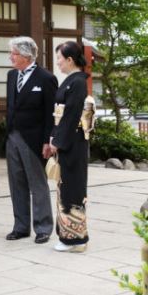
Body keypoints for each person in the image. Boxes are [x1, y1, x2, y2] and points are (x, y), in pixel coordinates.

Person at [5, 36, 58, 244]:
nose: (11, 57)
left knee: (37, 184)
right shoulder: (11, 76)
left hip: (35, 138)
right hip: (12, 136)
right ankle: (21, 226)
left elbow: (50, 113)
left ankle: (43, 227)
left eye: (14, 54)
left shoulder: (45, 78)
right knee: (16, 183)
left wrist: (48, 140)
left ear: (26, 56)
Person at [47, 41, 90, 252]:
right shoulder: (72, 81)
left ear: (70, 60)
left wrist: (57, 141)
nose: (58, 63)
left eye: (60, 59)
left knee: (73, 188)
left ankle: (76, 238)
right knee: (64, 188)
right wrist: (54, 136)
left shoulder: (78, 83)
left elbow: (72, 115)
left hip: (74, 142)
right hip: (67, 139)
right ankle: (67, 236)